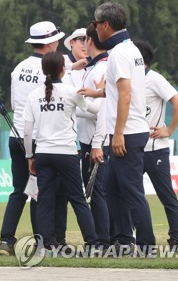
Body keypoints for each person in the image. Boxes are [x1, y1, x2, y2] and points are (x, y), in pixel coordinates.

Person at [80, 1, 155, 254]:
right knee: (111, 187)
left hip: (128, 131)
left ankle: (147, 246)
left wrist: (119, 133)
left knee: (131, 190)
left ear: (105, 25)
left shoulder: (120, 54)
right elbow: (118, 90)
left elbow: (125, 95)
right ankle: (122, 241)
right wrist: (96, 92)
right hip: (128, 129)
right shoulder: (128, 49)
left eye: (95, 24)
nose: (95, 30)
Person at [0, 21, 65, 256]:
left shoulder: (19, 68)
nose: (58, 44)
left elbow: (16, 104)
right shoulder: (50, 69)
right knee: (41, 193)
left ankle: (6, 241)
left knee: (18, 190)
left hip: (17, 134)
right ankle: (41, 242)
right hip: (39, 138)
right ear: (49, 43)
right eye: (56, 40)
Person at [23, 51, 99, 253]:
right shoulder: (71, 91)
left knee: (44, 201)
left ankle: (45, 244)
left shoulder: (33, 95)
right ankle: (92, 243)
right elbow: (94, 110)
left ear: (43, 70)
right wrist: (101, 92)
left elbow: (28, 131)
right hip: (66, 153)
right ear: (63, 70)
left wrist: (30, 156)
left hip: (43, 153)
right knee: (77, 200)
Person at [135, 40, 178, 248]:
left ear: (139, 59)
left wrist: (169, 130)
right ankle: (136, 239)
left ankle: (176, 239)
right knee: (133, 198)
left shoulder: (154, 79)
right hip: (133, 149)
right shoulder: (131, 80)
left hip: (155, 150)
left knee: (166, 196)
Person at [77, 24, 110, 246]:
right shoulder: (96, 66)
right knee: (97, 192)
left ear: (90, 40)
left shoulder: (100, 69)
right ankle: (105, 239)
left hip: (95, 139)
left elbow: (100, 108)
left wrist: (72, 107)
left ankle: (102, 241)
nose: (82, 45)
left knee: (96, 193)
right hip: (92, 137)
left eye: (83, 40)